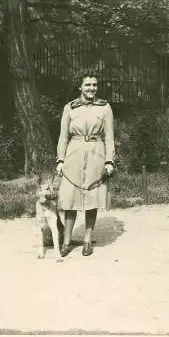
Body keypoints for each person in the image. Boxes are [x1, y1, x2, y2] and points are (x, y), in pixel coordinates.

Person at [56, 71, 115, 257]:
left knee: (92, 199)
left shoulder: (105, 108)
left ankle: (88, 241)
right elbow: (63, 136)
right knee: (70, 199)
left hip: (96, 153)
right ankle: (66, 242)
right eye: (88, 85)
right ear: (80, 87)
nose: (91, 88)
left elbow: (110, 137)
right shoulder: (70, 108)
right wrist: (60, 160)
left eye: (94, 85)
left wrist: (109, 161)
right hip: (74, 153)